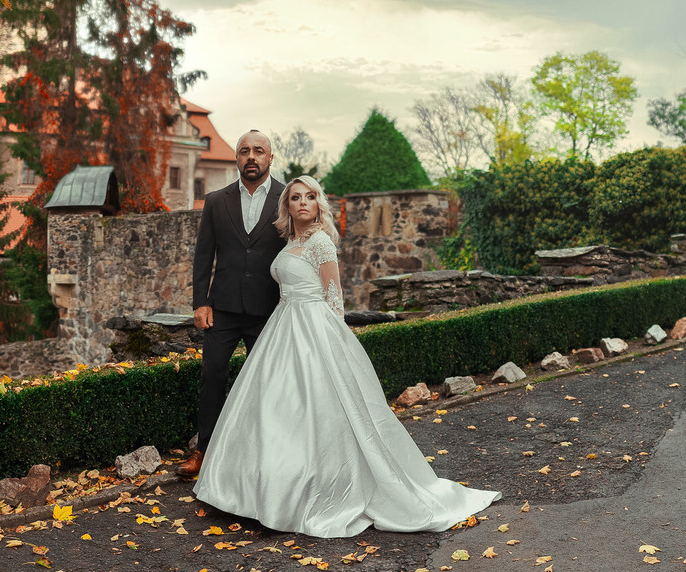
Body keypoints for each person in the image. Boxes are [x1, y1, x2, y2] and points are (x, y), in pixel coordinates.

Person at [197, 176, 498, 536]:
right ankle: (258, 490)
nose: (303, 202)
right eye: (295, 198)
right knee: (275, 409)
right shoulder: (293, 240)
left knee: (319, 409)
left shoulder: (321, 242)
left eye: (310, 197)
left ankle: (314, 490)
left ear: (318, 204)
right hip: (283, 325)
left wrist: (333, 343)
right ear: (287, 206)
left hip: (313, 328)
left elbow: (334, 297)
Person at [186, 128, 282, 478]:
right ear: (236, 158)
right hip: (221, 309)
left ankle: (262, 454)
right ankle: (204, 452)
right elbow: (203, 256)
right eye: (244, 151)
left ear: (270, 158)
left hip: (269, 311)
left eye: (259, 150)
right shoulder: (216, 200)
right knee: (212, 378)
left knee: (265, 384)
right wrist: (200, 302)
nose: (251, 156)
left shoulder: (287, 198)